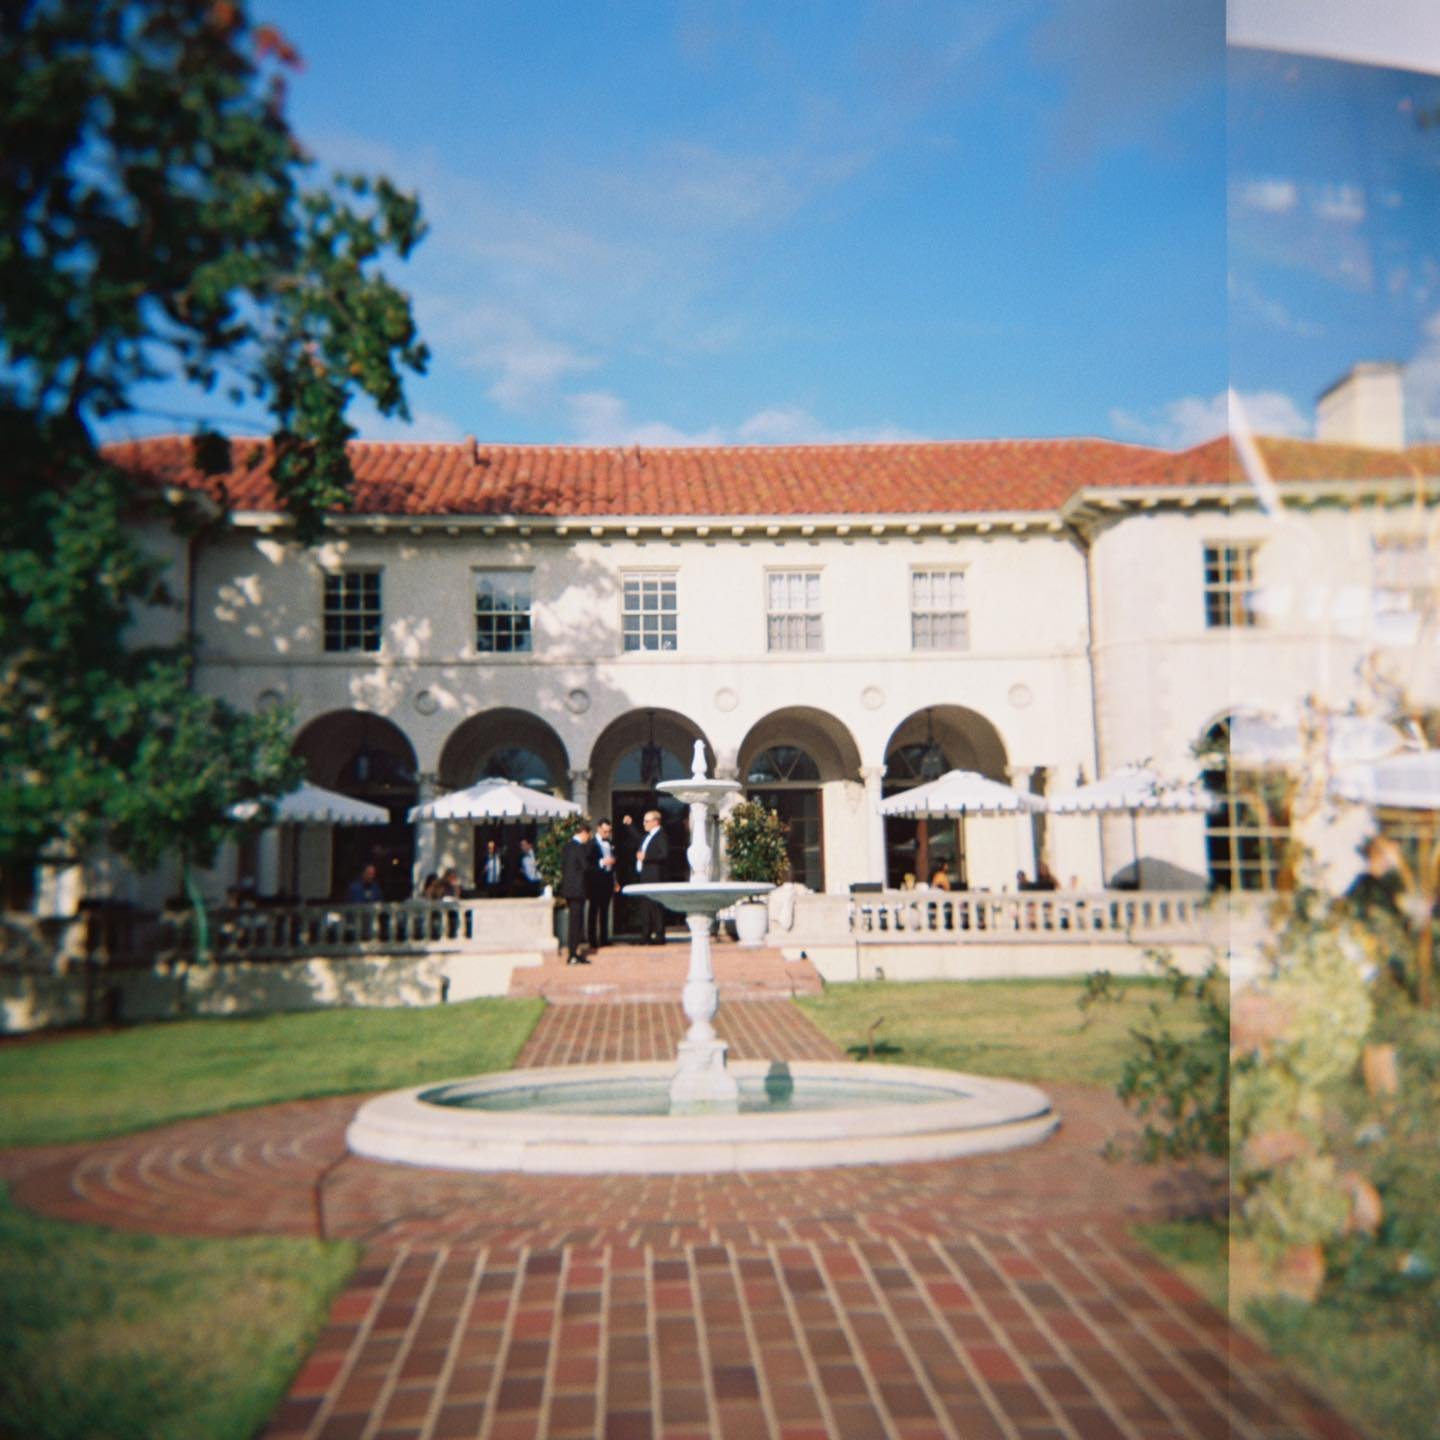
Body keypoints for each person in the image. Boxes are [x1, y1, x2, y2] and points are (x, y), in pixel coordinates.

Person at [634, 809, 670, 945]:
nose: (644, 824)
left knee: (656, 907)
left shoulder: (661, 835)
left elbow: (664, 854)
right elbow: (637, 838)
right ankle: (645, 936)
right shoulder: (646, 836)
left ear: (655, 822)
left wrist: (646, 857)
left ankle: (660, 936)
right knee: (646, 907)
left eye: (646, 821)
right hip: (645, 875)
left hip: (655, 876)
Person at [560, 819, 593, 963]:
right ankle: (572, 954)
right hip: (577, 890)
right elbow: (585, 867)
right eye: (588, 836)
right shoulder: (579, 847)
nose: (588, 839)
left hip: (569, 889)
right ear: (584, 833)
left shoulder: (567, 846)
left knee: (574, 922)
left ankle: (574, 952)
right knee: (576, 923)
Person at [587, 818, 619, 949]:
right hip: (595, 881)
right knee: (594, 910)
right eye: (605, 831)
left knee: (605, 910)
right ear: (599, 828)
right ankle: (592, 939)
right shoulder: (591, 843)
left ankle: (604, 938)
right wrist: (601, 862)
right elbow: (587, 863)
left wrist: (615, 880)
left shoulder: (610, 843)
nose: (607, 834)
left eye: (609, 832)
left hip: (607, 879)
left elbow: (615, 860)